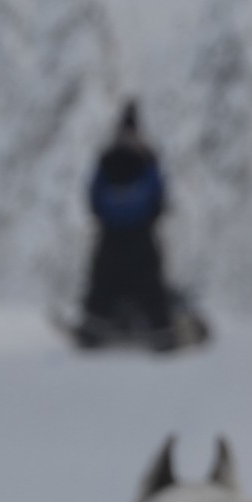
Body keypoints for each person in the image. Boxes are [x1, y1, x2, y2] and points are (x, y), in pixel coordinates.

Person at [77, 100, 176, 347]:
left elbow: (93, 195)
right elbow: (159, 194)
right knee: (150, 281)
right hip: (140, 234)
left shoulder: (107, 159)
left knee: (103, 281)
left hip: (111, 234)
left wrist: (103, 217)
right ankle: (160, 329)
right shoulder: (147, 158)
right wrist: (153, 216)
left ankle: (94, 326)